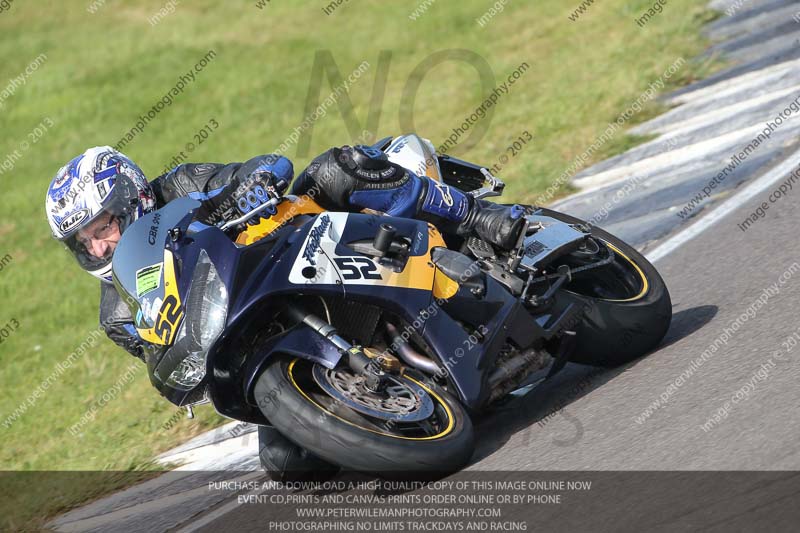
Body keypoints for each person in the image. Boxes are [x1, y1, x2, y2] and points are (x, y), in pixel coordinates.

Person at [45, 142, 525, 479]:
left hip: (295, 245)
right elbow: (171, 359)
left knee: (341, 165)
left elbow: (267, 164)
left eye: (102, 226)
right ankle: (379, 401)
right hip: (251, 329)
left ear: (132, 198)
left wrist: (252, 184)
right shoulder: (116, 313)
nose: (99, 245)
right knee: (289, 465)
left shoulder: (180, 184)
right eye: (83, 242)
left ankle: (479, 217)